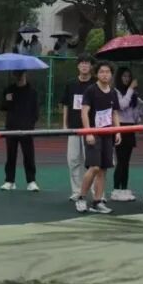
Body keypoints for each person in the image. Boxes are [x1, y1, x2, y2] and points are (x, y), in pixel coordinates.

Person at [76, 61, 120, 214]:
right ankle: (81, 197)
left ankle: (97, 201)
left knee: (103, 169)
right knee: (94, 167)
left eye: (107, 72)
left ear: (111, 74)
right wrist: (88, 132)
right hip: (93, 134)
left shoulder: (113, 92)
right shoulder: (91, 90)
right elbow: (84, 112)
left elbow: (114, 113)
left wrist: (118, 131)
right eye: (102, 72)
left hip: (108, 134)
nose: (105, 74)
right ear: (97, 74)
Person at [61, 54, 95, 200]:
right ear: (78, 66)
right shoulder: (71, 84)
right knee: (73, 160)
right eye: (82, 63)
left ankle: (95, 192)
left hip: (91, 129)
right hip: (74, 128)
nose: (84, 66)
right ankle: (76, 191)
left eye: (87, 63)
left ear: (91, 66)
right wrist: (64, 124)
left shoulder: (95, 84)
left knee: (92, 161)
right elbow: (66, 105)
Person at [0, 71, 39, 191]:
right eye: (17, 74)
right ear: (14, 75)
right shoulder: (9, 90)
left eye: (21, 74)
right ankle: (9, 181)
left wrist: (30, 125)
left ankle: (31, 181)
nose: (19, 76)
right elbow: (2, 107)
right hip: (11, 128)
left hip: (27, 129)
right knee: (11, 155)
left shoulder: (32, 92)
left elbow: (36, 111)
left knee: (29, 155)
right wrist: (7, 99)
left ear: (25, 74)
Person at [111, 67, 139, 202]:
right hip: (120, 126)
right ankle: (116, 189)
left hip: (130, 127)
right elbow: (122, 105)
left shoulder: (132, 93)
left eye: (128, 76)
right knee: (121, 160)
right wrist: (131, 89)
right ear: (119, 77)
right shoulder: (115, 91)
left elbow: (135, 111)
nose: (127, 79)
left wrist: (137, 114)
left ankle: (124, 188)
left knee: (126, 161)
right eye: (124, 76)